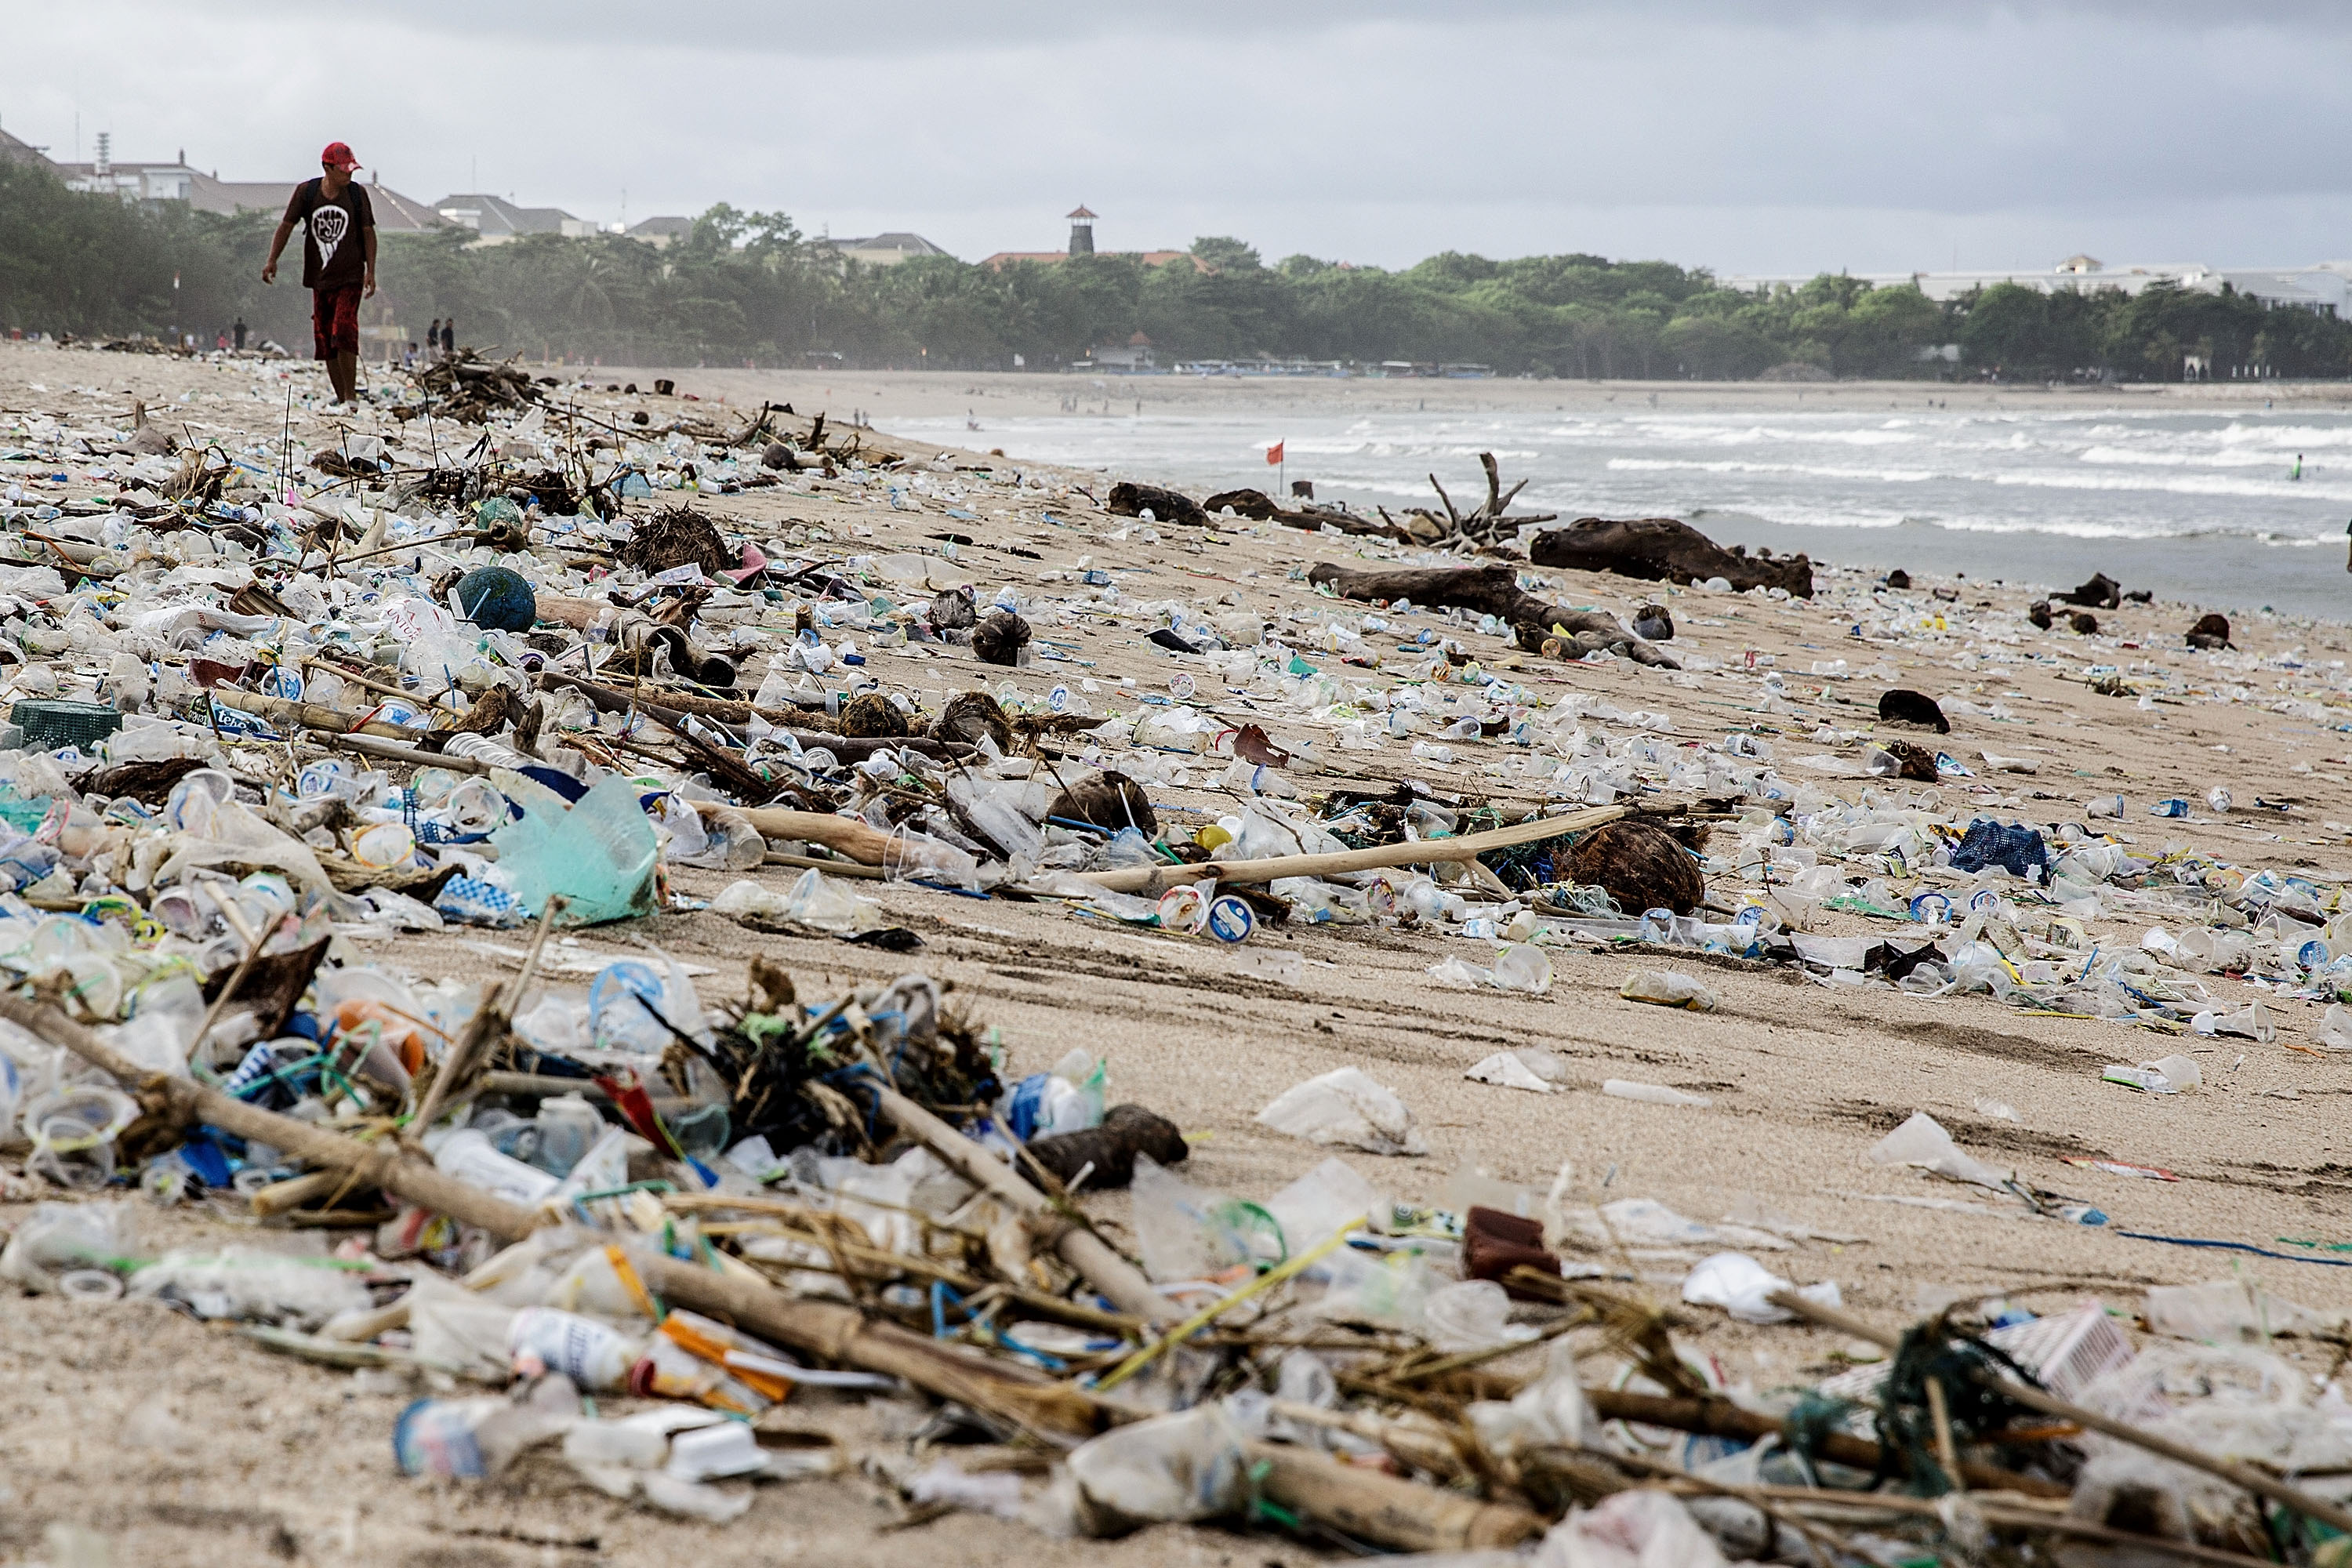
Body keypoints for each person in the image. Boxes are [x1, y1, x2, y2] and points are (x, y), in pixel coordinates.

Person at [260, 141, 377, 405]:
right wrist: (272, 260)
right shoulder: (307, 192)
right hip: (320, 278)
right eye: (344, 170)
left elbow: (369, 233)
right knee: (325, 340)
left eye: (351, 170)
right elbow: (286, 226)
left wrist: (371, 270)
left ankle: (351, 398)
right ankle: (342, 399)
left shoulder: (357, 195)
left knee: (344, 331)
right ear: (328, 168)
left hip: (351, 276)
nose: (349, 175)